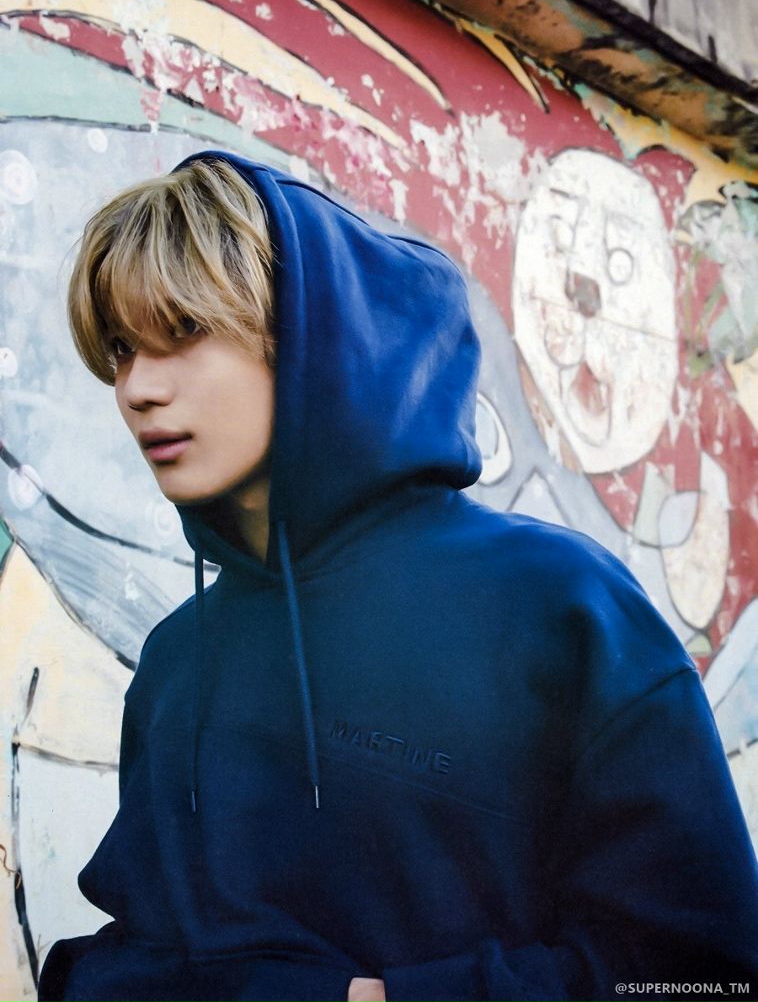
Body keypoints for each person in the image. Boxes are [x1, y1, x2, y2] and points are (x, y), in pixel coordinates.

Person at [39, 150, 757, 1002]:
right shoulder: (176, 663)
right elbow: (136, 952)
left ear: (312, 338)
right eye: (121, 348)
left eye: (185, 331)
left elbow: (700, 973)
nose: (136, 389)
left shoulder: (559, 605)